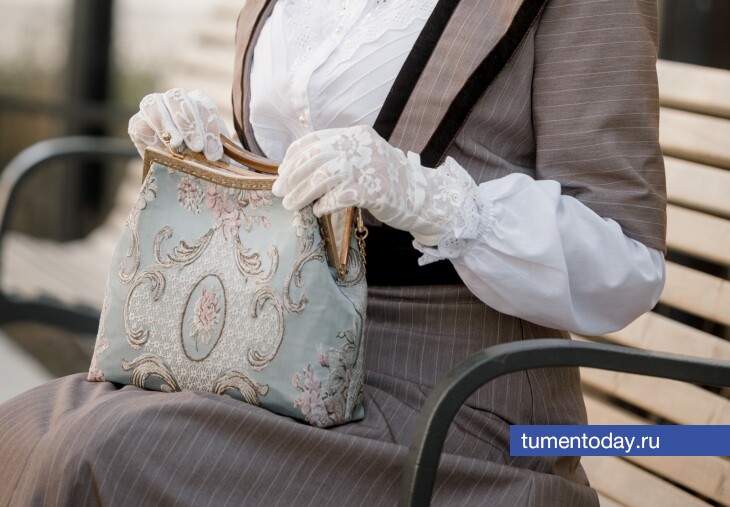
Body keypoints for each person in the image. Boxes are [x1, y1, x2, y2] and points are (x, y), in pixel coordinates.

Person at [0, 0, 666, 504]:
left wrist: (432, 200)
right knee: (27, 429)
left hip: (453, 396)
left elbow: (628, 261)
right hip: (270, 353)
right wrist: (208, 149)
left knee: (100, 453)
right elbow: (295, 171)